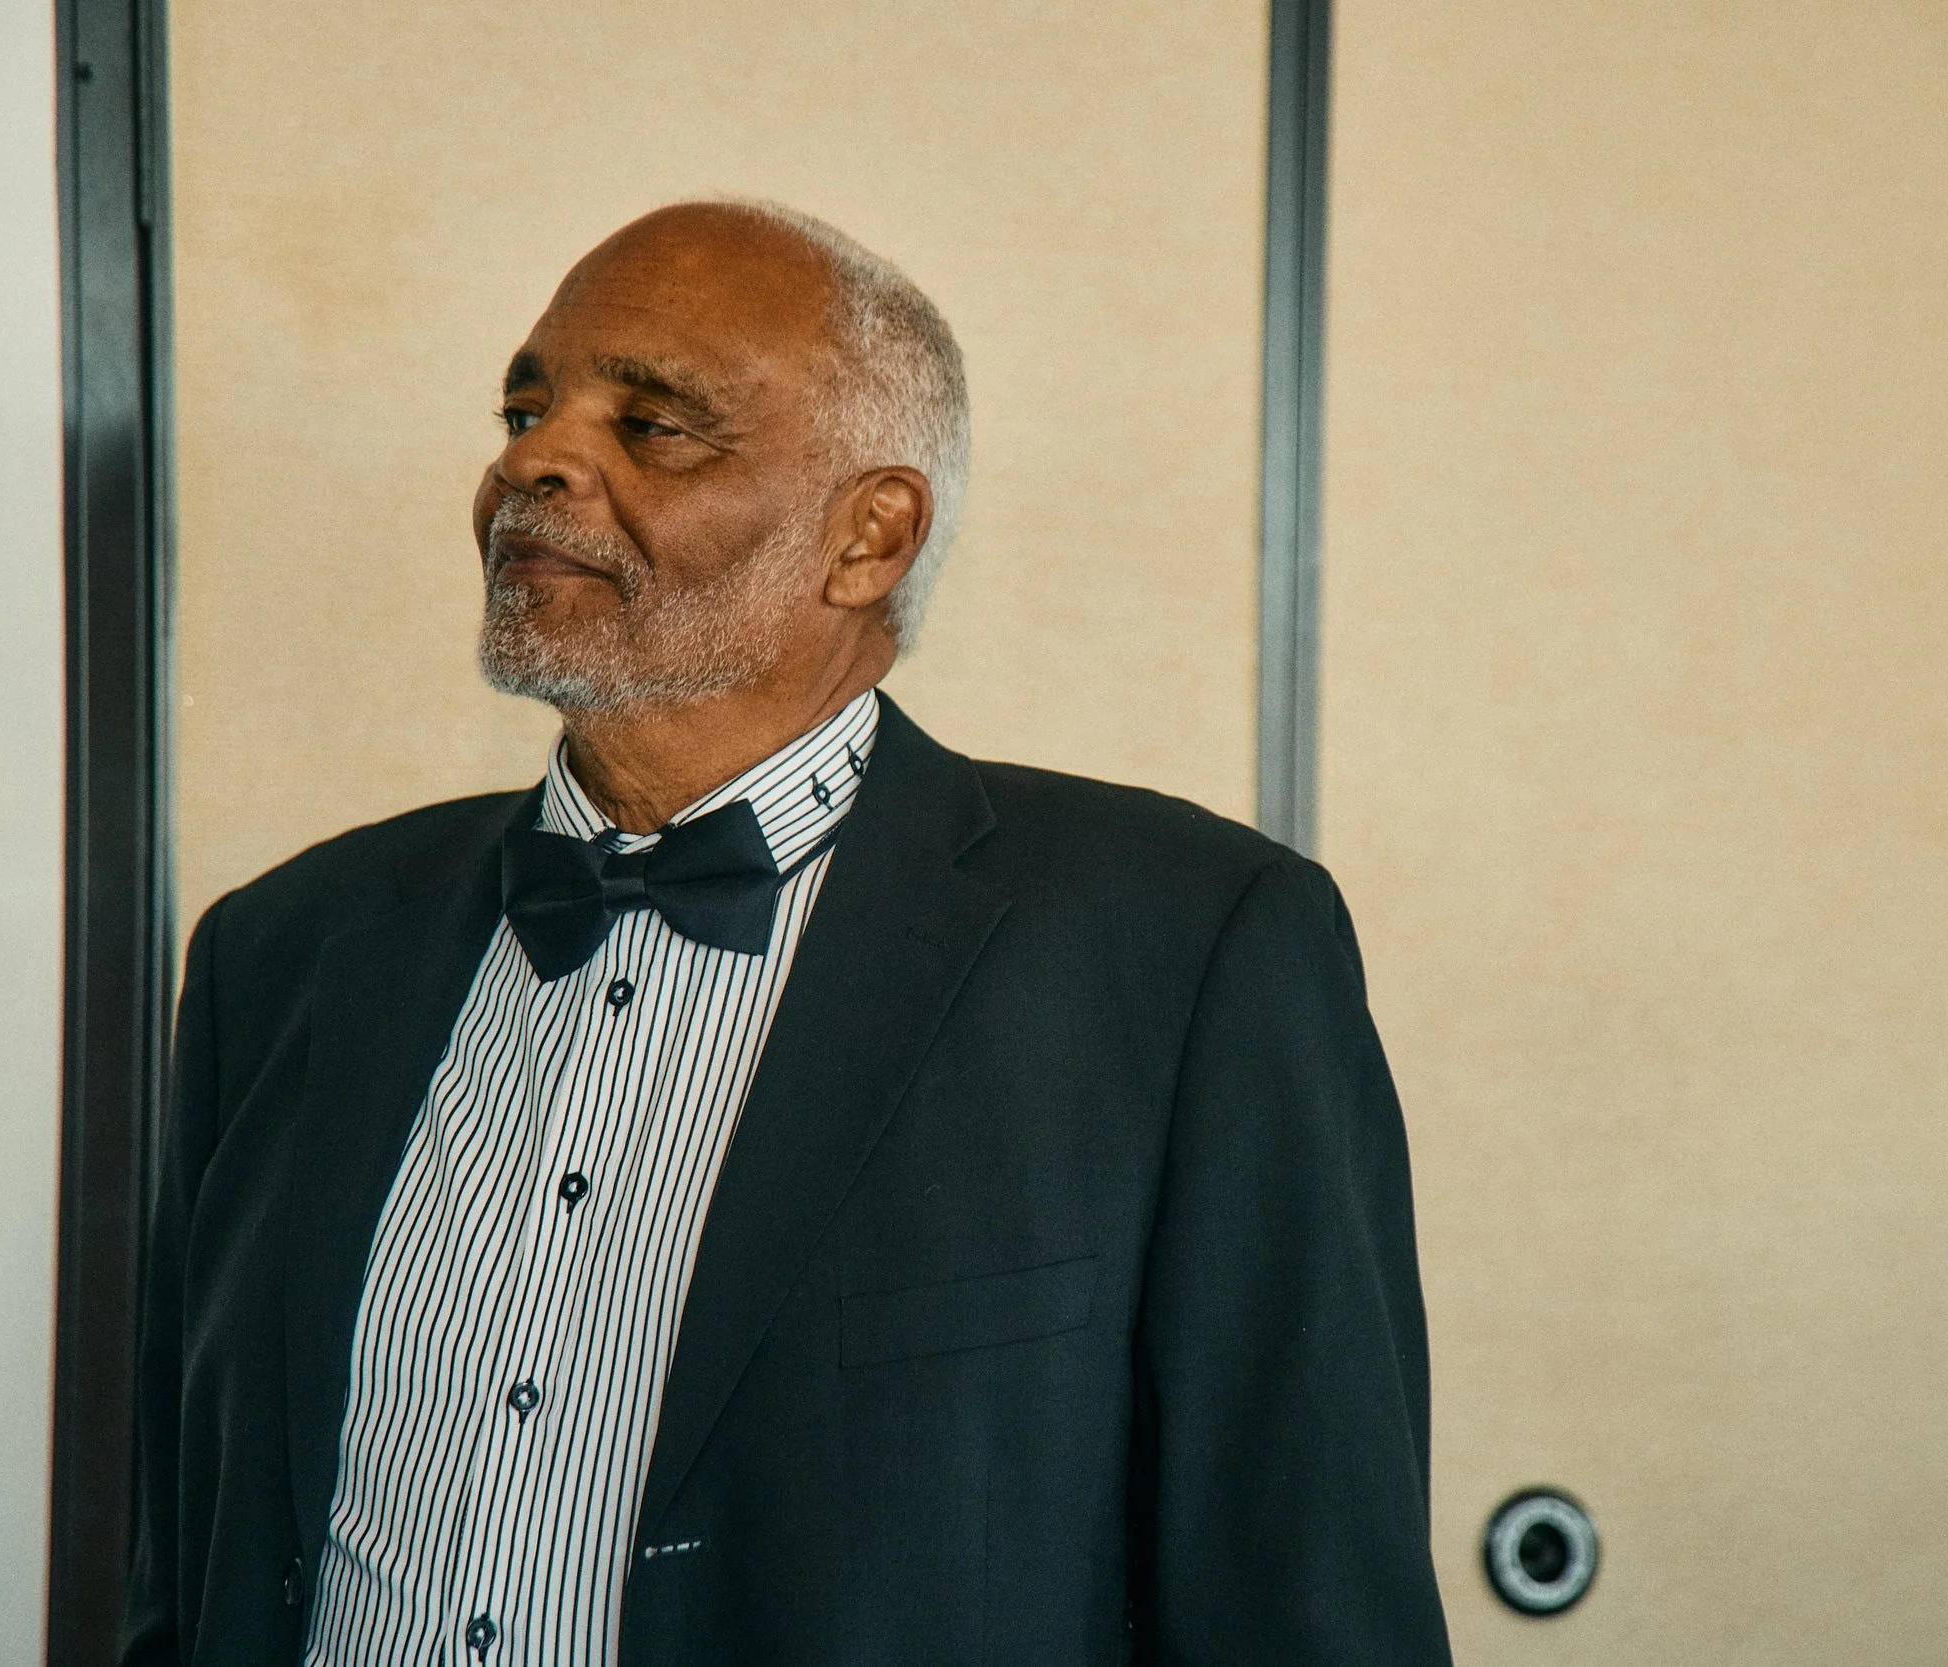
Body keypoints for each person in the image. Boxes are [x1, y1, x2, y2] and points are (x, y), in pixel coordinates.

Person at [125, 199, 1453, 1667]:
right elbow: (184, 1560)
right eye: (524, 409)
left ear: (868, 539)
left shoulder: (1189, 951)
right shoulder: (281, 950)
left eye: (652, 425)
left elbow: (1306, 1599)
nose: (531, 462)